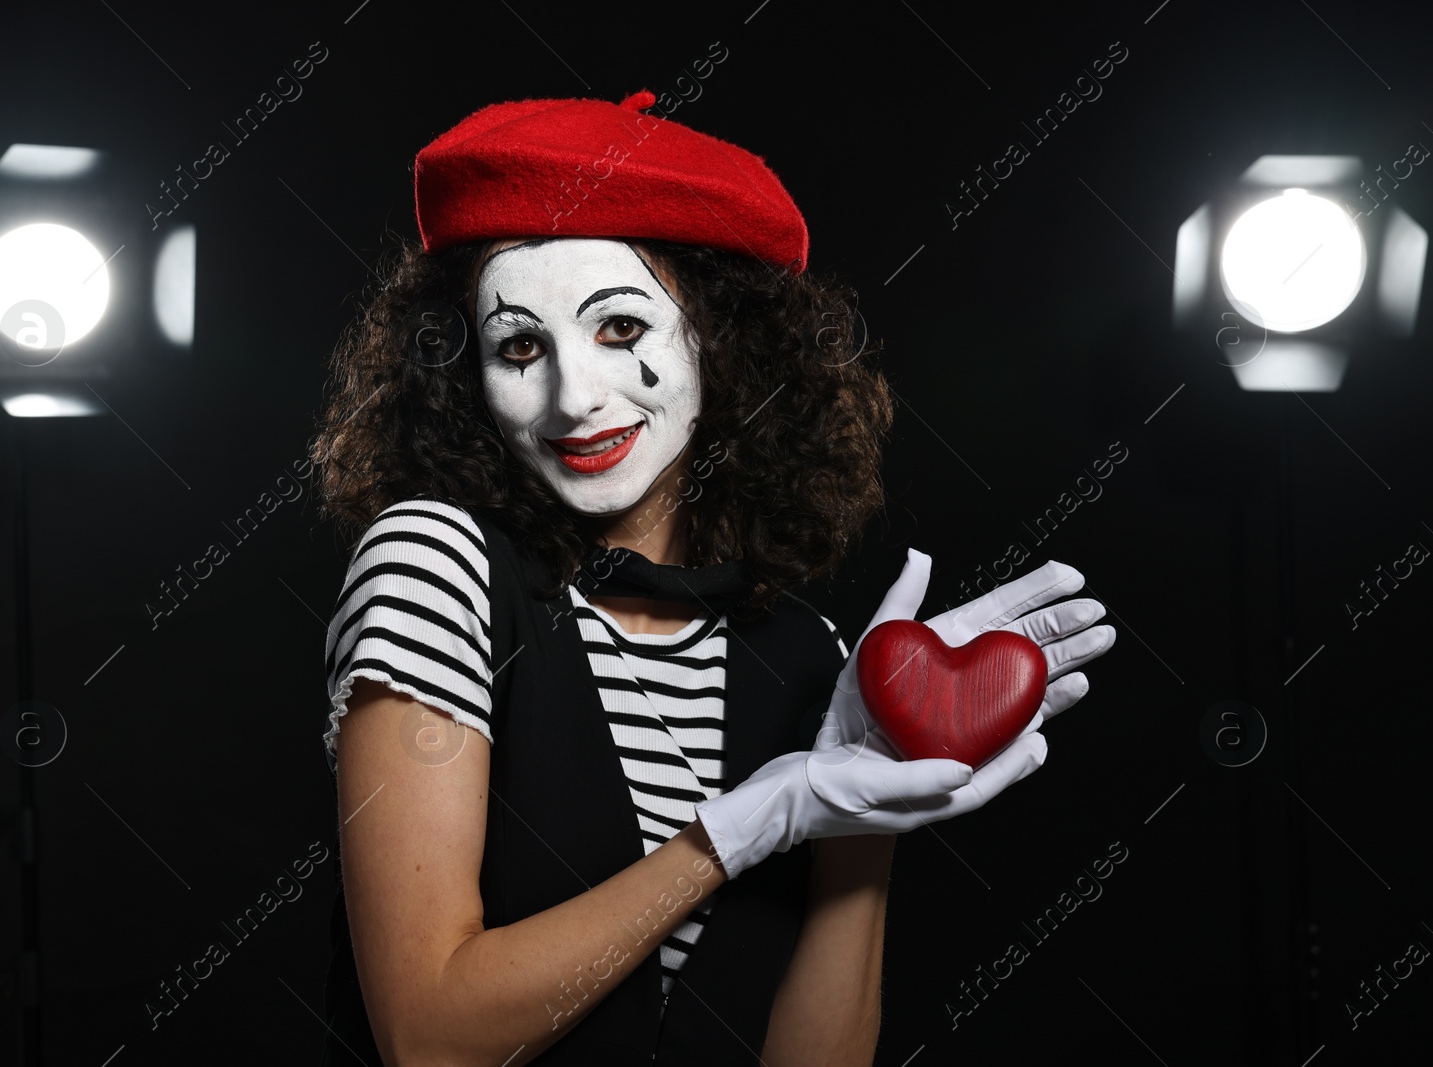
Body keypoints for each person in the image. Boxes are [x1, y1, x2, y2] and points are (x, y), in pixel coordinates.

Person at [307, 90, 1116, 1066]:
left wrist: (868, 810)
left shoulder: (804, 653)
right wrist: (732, 830)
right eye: (520, 345)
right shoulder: (437, 565)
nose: (574, 395)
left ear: (721, 342)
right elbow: (432, 1039)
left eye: (618, 328)